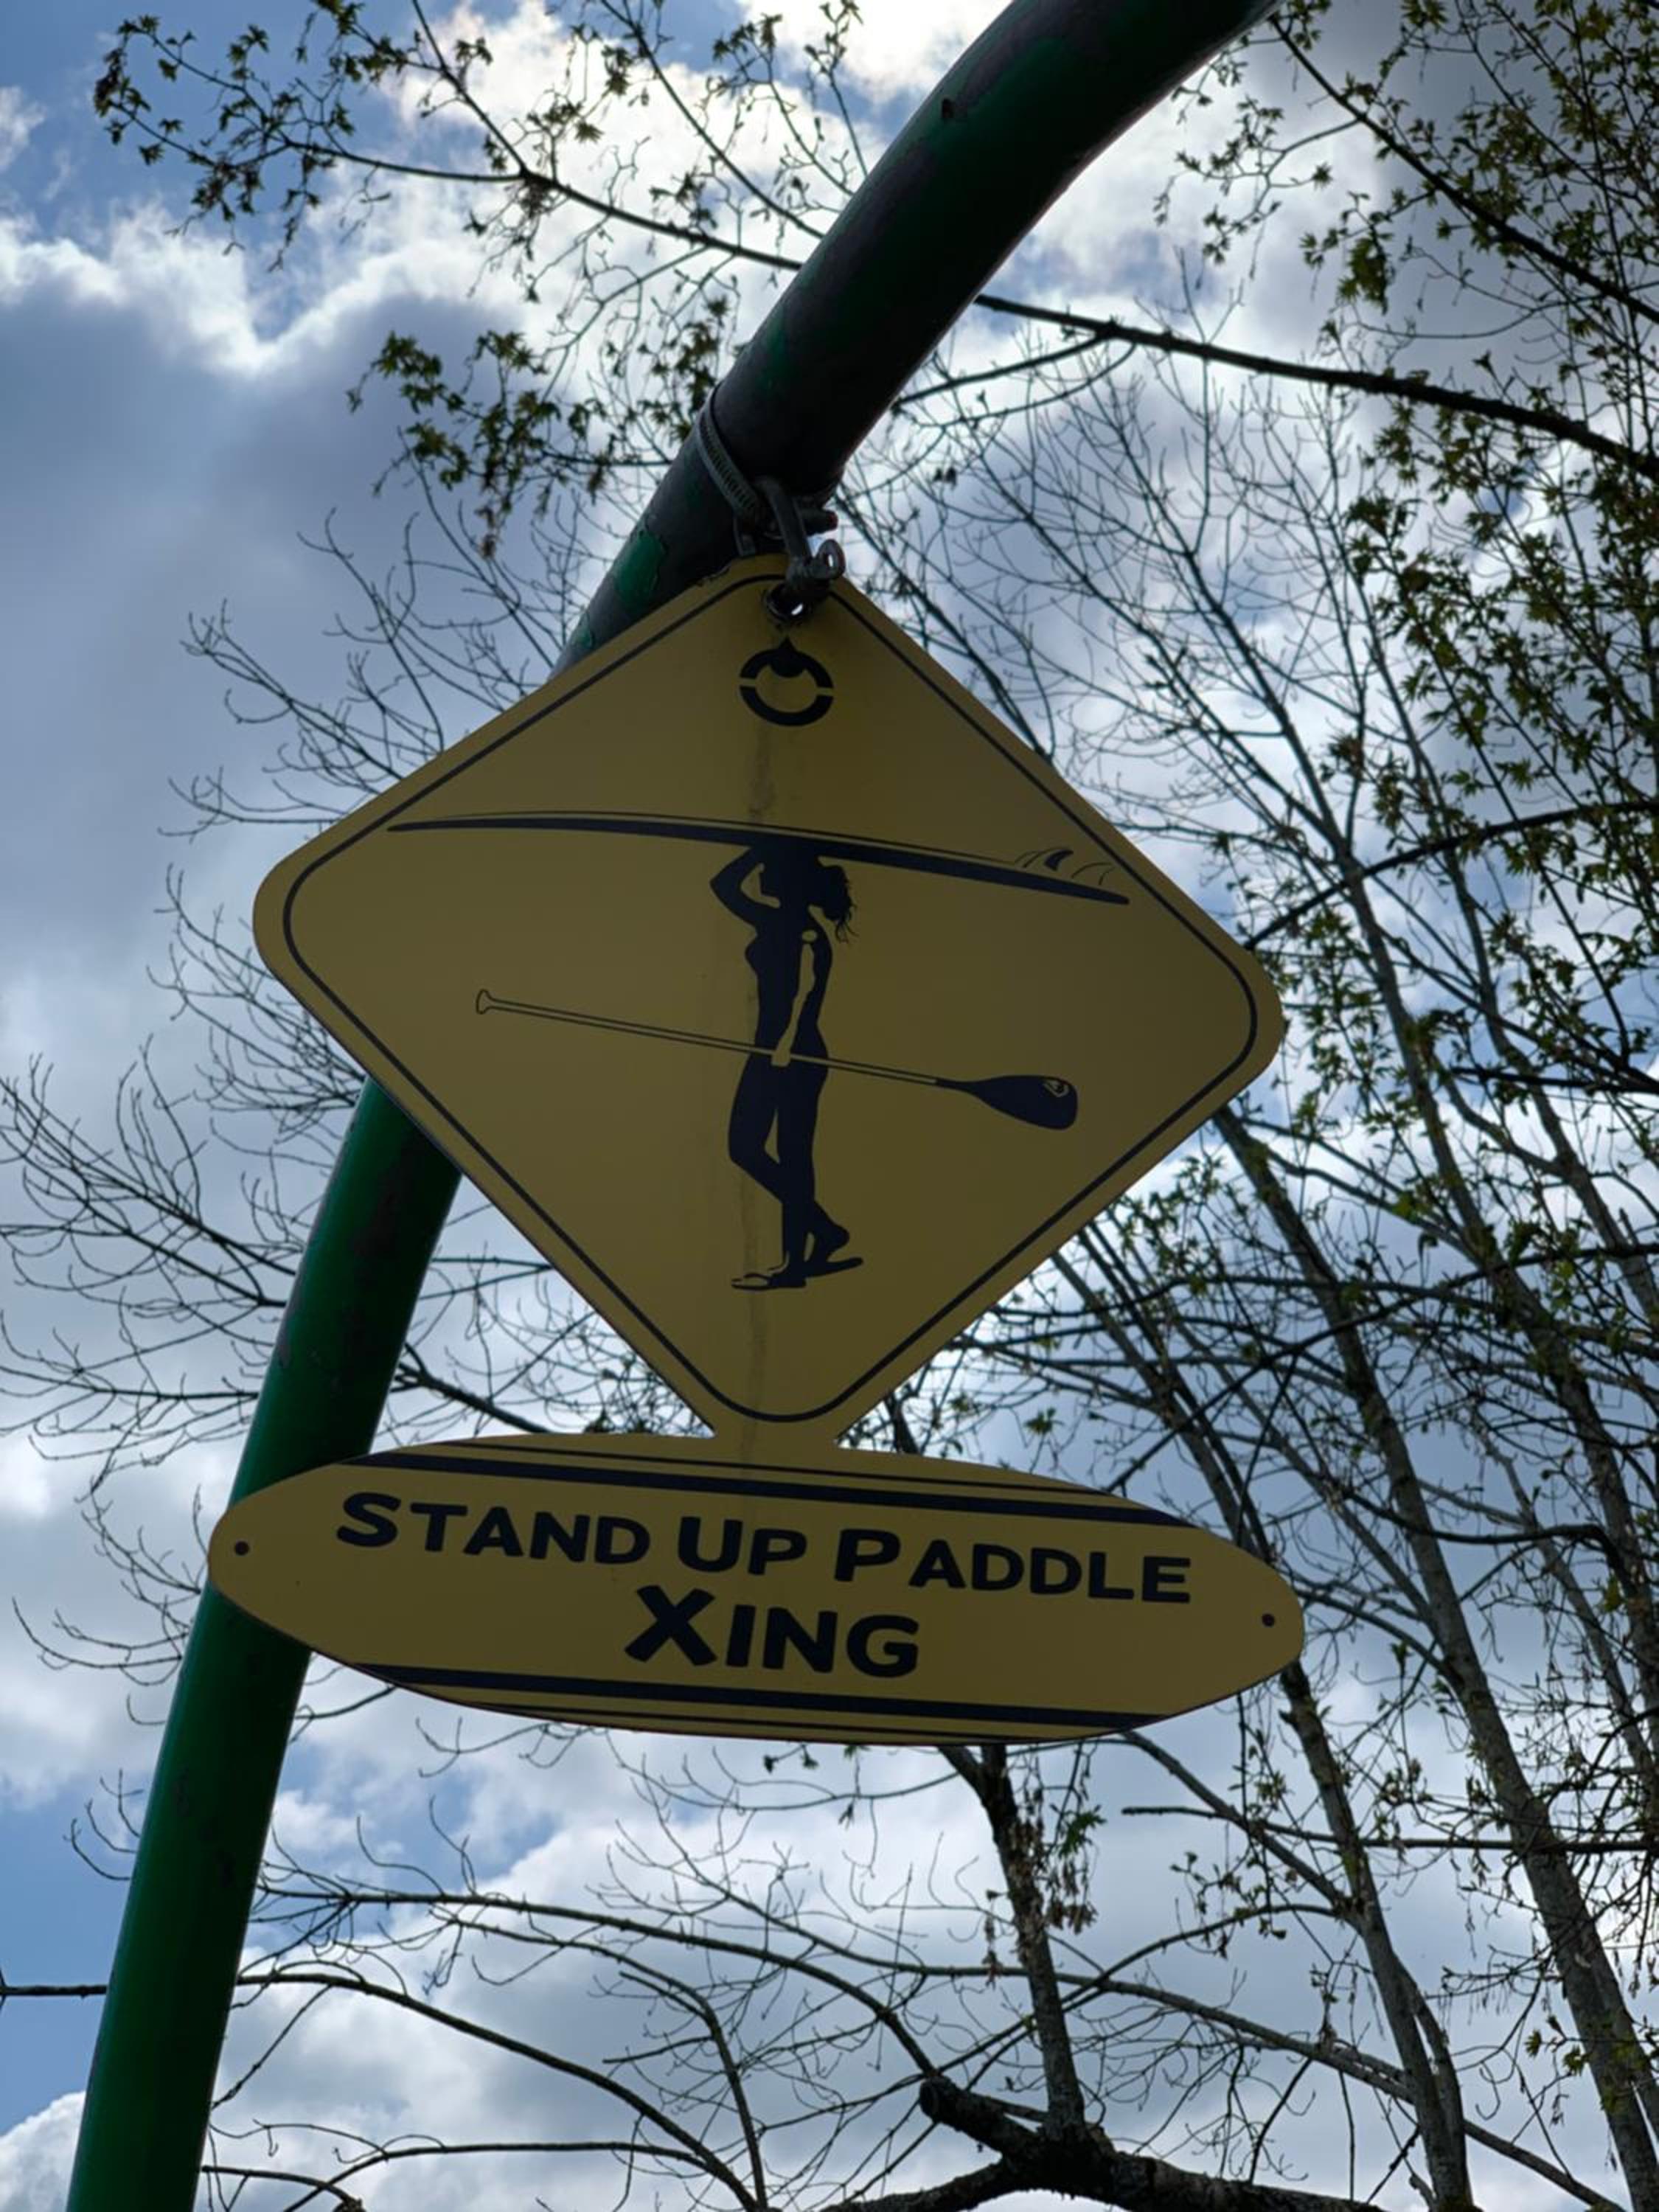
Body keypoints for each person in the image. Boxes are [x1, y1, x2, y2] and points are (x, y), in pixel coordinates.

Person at [710, 840, 858, 1290]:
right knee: (744, 1147)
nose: (762, 875)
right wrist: (761, 846)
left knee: (794, 1155)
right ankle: (824, 1229)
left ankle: (794, 1265)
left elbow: (805, 993)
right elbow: (723, 886)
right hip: (770, 1050)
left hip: (795, 1053)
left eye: (770, 868)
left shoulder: (807, 934)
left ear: (790, 879)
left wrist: (785, 1045)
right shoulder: (775, 920)